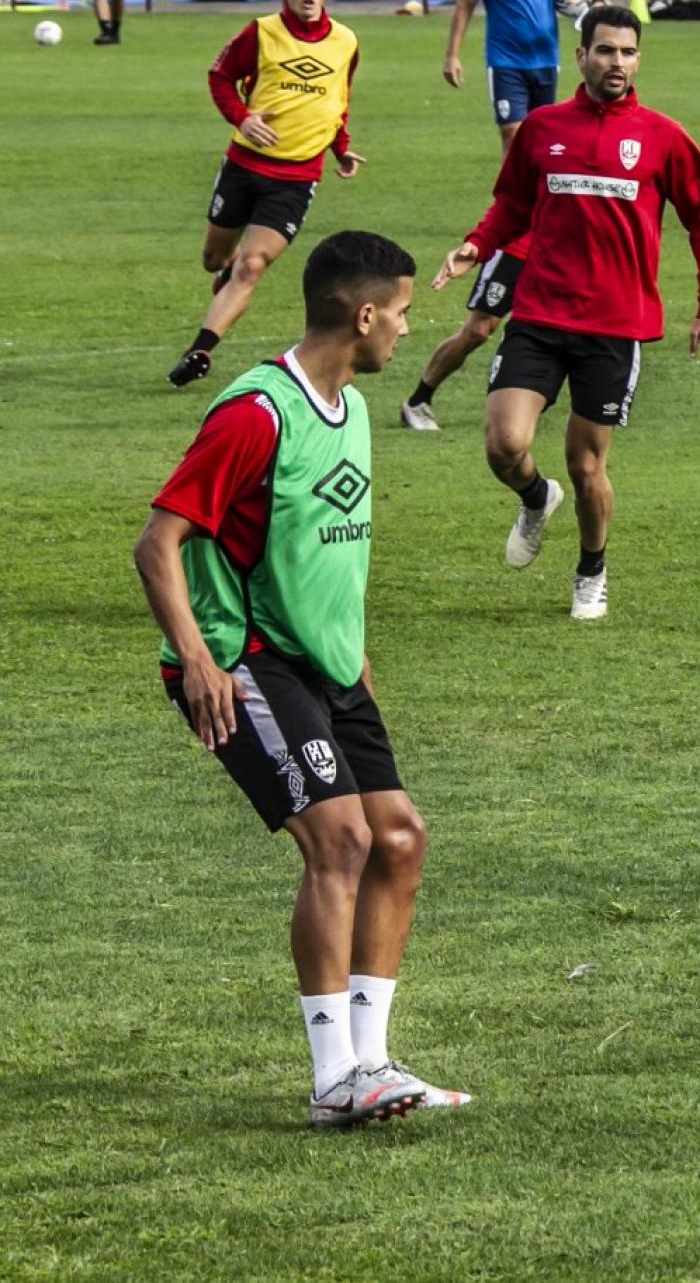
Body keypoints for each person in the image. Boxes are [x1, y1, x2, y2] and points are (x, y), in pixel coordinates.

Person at [135, 231, 471, 1128]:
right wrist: (200, 661)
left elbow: (329, 545)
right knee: (340, 843)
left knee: (398, 837)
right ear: (363, 315)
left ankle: (372, 1063)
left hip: (328, 664)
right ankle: (333, 1081)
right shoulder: (257, 412)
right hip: (247, 661)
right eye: (400, 311)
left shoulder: (351, 406)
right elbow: (157, 542)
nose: (406, 327)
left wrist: (353, 655)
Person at [431, 5, 700, 620]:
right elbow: (511, 205)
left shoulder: (662, 137)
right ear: (581, 57)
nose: (615, 63)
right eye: (604, 51)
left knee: (586, 462)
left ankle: (591, 570)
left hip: (615, 327)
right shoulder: (543, 128)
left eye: (626, 52)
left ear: (638, 59)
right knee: (502, 443)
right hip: (540, 314)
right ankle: (537, 498)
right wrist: (476, 245)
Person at [405, 0, 601, 431]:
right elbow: (466, 5)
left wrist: (590, 6)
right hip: (520, 237)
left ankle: (581, 400)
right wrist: (477, 242)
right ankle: (418, 398)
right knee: (480, 327)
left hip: (561, 239)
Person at [169, 0, 366, 388]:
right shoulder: (260, 33)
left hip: (296, 178)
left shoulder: (346, 42)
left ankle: (200, 349)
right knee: (214, 259)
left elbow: (337, 101)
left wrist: (342, 148)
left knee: (253, 266)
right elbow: (219, 77)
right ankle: (227, 263)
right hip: (244, 166)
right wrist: (242, 117)